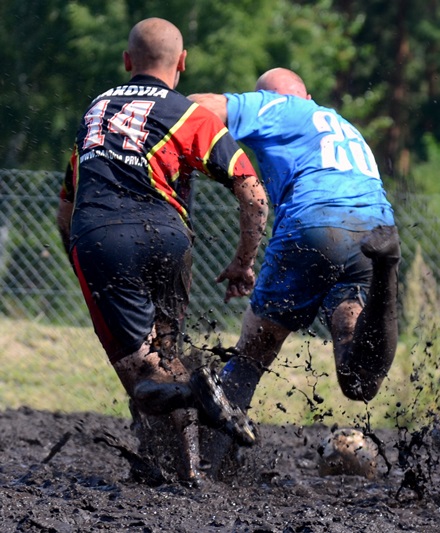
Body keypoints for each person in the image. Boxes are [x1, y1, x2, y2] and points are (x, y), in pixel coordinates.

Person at [57, 18, 268, 483]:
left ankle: (194, 396)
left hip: (103, 238)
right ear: (183, 62)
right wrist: (243, 262)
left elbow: (67, 206)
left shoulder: (97, 109)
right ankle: (186, 473)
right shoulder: (191, 114)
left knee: (145, 381)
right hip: (169, 239)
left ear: (127, 60)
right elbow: (253, 194)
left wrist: (84, 261)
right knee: (165, 359)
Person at [189, 68, 400, 478]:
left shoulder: (281, 107)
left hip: (314, 222)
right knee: (358, 382)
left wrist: (154, 109)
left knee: (250, 358)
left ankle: (210, 468)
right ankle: (388, 269)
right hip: (373, 226)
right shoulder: (342, 125)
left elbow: (202, 106)